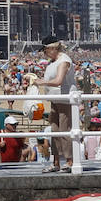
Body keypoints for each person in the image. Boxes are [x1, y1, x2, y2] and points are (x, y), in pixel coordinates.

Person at [36, 35, 75, 172]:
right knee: (54, 131)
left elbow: (59, 81)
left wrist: (42, 82)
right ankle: (56, 162)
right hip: (54, 99)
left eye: (45, 50)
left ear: (52, 48)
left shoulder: (64, 61)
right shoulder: (52, 61)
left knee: (65, 130)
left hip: (64, 98)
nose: (44, 53)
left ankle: (70, 161)